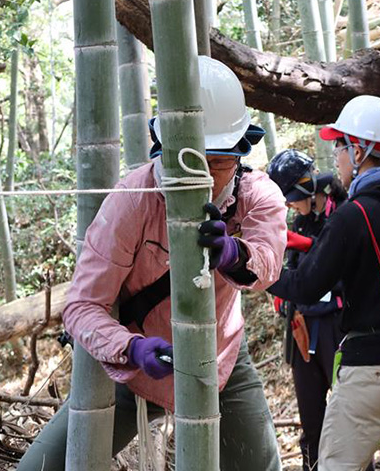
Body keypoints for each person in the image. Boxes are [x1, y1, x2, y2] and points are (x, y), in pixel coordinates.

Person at [17, 56, 287, 471]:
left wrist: (233, 253)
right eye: (189, 162)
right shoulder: (132, 199)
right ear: (164, 148)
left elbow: (266, 266)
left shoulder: (256, 194)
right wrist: (130, 347)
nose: (204, 177)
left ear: (239, 152)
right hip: (136, 365)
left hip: (219, 359)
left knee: (261, 465)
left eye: (216, 163)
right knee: (40, 467)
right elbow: (81, 306)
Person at [268, 95, 380, 470]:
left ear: (359, 151)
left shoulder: (353, 215)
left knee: (336, 464)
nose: (336, 157)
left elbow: (307, 286)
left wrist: (256, 268)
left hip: (373, 369)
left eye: (340, 146)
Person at [267, 149, 348, 471]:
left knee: (348, 419)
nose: (290, 206)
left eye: (291, 198)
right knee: (311, 422)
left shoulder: (342, 213)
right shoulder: (302, 219)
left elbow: (343, 270)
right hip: (302, 327)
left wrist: (307, 247)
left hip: (337, 325)